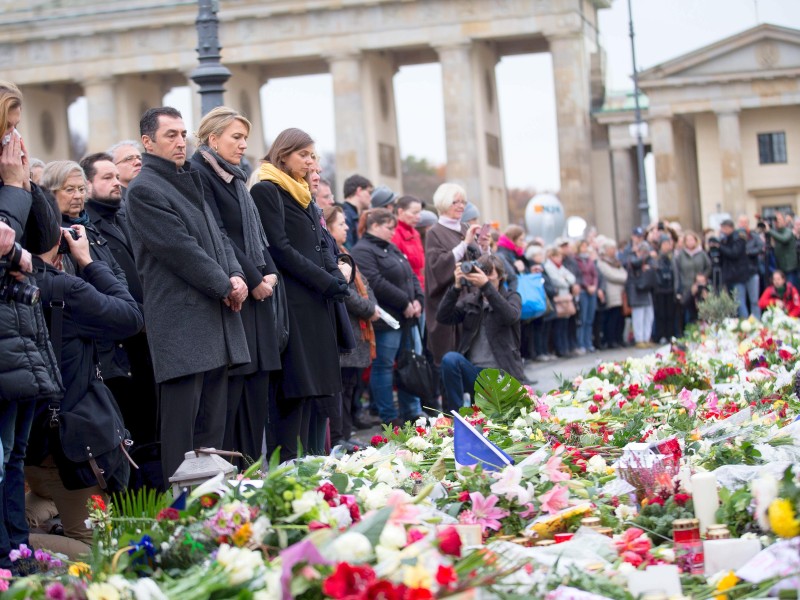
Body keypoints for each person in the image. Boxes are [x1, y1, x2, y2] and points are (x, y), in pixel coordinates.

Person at [126, 107, 250, 483]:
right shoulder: (144, 189)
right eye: (171, 135)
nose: (181, 141)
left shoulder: (190, 178)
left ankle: (213, 507)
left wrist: (236, 273)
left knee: (212, 429)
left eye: (183, 134)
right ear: (147, 142)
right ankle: (180, 513)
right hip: (181, 323)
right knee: (183, 433)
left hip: (213, 317)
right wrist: (225, 284)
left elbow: (219, 238)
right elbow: (180, 249)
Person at [28, 208, 142, 559]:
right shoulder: (64, 289)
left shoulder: (11, 284)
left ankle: (23, 523)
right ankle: (16, 545)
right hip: (66, 452)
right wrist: (89, 261)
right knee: (101, 551)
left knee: (38, 502)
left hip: (23, 444)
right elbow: (130, 316)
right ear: (56, 243)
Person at [189, 107, 281, 463]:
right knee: (233, 398)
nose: (244, 145)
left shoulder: (238, 178)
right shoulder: (201, 174)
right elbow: (221, 235)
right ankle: (233, 474)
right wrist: (255, 280)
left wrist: (270, 273)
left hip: (257, 294)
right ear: (213, 139)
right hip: (238, 297)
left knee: (256, 394)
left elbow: (257, 234)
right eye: (236, 137)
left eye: (245, 137)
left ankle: (251, 471)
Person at [251, 128, 348, 462]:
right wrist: (325, 280)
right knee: (292, 392)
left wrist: (336, 275)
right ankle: (286, 469)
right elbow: (280, 248)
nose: (309, 161)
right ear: (284, 153)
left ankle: (310, 466)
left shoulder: (303, 193)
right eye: (303, 154)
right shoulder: (268, 189)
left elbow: (320, 244)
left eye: (312, 155)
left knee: (312, 393)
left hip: (315, 302)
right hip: (294, 302)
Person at [0, 80, 62, 573]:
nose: (15, 138)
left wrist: (25, 184)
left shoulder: (12, 176)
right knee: (2, 456)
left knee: (14, 454)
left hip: (21, 333)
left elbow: (42, 238)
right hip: (6, 334)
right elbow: (4, 241)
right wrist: (11, 190)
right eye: (8, 126)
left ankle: (17, 551)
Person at [81, 152, 159, 482]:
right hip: (118, 347)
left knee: (153, 428)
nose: (116, 182)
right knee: (132, 432)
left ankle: (158, 501)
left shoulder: (126, 217)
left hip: (147, 338)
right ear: (87, 186)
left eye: (117, 176)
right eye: (106, 177)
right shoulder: (86, 229)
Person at [351, 209, 425, 426]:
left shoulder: (390, 247)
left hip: (407, 317)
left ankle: (412, 410)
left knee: (408, 364)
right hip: (387, 320)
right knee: (384, 366)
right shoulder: (363, 250)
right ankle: (388, 415)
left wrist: (418, 298)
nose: (394, 232)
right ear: (374, 226)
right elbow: (375, 282)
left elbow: (410, 274)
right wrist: (405, 302)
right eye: (389, 227)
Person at [437, 255, 524, 412]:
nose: (485, 277)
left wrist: (486, 287)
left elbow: (510, 316)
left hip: (503, 374)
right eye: (482, 272)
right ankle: (457, 417)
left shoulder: (512, 297)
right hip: (476, 373)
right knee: (450, 359)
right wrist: (456, 288)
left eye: (489, 273)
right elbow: (443, 317)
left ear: (501, 276)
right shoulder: (471, 300)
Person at [324, 205, 379, 448]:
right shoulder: (331, 255)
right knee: (341, 391)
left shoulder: (345, 251)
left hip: (357, 333)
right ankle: (338, 439)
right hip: (345, 332)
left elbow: (365, 286)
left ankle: (345, 436)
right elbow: (344, 293)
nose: (347, 227)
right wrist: (370, 309)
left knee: (349, 388)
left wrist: (372, 305)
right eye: (341, 224)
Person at [424, 183, 487, 366]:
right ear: (444, 203)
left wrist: (484, 247)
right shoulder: (434, 233)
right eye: (455, 202)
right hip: (449, 303)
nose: (461, 206)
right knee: (452, 361)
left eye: (463, 202)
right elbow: (437, 267)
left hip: (472, 303)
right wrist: (465, 243)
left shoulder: (465, 226)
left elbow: (481, 262)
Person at [544, 246, 576, 357]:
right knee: (558, 325)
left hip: (565, 298)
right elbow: (556, 280)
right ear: (552, 256)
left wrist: (565, 280)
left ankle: (565, 348)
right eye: (558, 256)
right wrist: (565, 280)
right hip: (558, 299)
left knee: (564, 325)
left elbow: (572, 278)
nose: (560, 258)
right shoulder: (549, 266)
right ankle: (560, 349)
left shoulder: (561, 267)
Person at [674, 230, 711, 325]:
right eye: (688, 240)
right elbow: (678, 271)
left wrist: (703, 276)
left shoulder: (702, 253)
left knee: (701, 310)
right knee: (688, 312)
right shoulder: (681, 255)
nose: (690, 242)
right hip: (687, 287)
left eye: (692, 240)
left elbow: (709, 266)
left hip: (700, 286)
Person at [596, 240, 627, 348]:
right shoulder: (601, 262)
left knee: (620, 317)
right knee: (611, 317)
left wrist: (623, 277)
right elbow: (611, 275)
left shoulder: (615, 262)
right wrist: (623, 278)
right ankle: (610, 339)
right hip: (611, 293)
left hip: (620, 293)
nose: (614, 251)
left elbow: (623, 273)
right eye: (611, 248)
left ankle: (619, 338)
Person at [716, 219, 750, 318]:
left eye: (724, 228)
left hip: (738, 275)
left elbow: (734, 253)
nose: (722, 231)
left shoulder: (738, 238)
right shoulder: (725, 239)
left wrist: (720, 247)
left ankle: (745, 325)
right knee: (733, 305)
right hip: (729, 276)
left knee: (739, 302)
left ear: (729, 228)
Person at [391, 195, 425, 289]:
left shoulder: (415, 233)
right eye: (414, 213)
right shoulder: (393, 234)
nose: (418, 217)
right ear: (400, 211)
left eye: (419, 213)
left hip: (420, 286)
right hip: (406, 288)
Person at [626, 241, 656, 348]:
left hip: (646, 289)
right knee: (638, 316)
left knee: (648, 315)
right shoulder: (632, 257)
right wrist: (644, 258)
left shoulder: (648, 260)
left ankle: (646, 338)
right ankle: (639, 339)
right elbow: (634, 263)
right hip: (636, 290)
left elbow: (654, 265)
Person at [652, 236, 680, 343]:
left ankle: (670, 334)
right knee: (661, 314)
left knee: (671, 313)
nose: (666, 246)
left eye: (668, 244)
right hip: (660, 290)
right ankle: (661, 334)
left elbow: (676, 274)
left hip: (670, 289)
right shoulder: (656, 258)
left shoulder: (673, 257)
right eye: (664, 244)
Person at [575, 239, 599, 352]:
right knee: (582, 319)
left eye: (586, 246)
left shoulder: (590, 260)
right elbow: (579, 276)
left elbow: (595, 274)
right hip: (583, 291)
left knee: (590, 318)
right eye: (582, 246)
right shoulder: (576, 260)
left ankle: (588, 342)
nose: (584, 248)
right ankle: (581, 343)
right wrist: (587, 286)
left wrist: (594, 285)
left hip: (592, 290)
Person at [765, 212, 799, 290]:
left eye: (779, 219)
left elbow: (784, 239)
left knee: (791, 289)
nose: (777, 222)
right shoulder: (775, 232)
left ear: (784, 221)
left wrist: (769, 231)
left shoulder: (788, 231)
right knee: (782, 290)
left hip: (790, 268)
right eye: (776, 220)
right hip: (780, 268)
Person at [738, 215, 763, 319]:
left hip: (752, 271)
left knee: (754, 300)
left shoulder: (753, 235)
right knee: (740, 301)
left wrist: (749, 252)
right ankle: (743, 323)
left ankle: (757, 322)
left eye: (745, 222)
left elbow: (760, 247)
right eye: (741, 222)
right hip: (739, 273)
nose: (743, 225)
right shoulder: (736, 236)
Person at [341, 174, 373, 249]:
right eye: (369, 192)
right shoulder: (344, 215)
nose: (370, 197)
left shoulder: (354, 215)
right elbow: (349, 249)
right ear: (359, 191)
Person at [495, 225, 527, 292]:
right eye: (521, 239)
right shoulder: (503, 252)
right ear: (513, 239)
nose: (523, 242)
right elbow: (509, 272)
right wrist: (516, 267)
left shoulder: (514, 250)